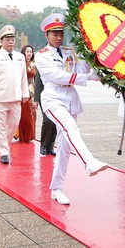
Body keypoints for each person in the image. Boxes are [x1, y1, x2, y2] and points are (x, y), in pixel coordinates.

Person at [35, 13, 107, 206]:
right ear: (47, 35)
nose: (59, 37)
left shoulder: (68, 52)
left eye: (61, 34)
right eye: (55, 34)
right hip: (53, 98)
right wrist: (87, 78)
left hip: (70, 99)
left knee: (65, 146)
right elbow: (57, 75)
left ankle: (56, 189)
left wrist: (94, 55)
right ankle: (88, 161)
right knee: (70, 128)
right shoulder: (41, 55)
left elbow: (82, 67)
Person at [0, 25, 29, 164]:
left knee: (14, 124)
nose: (11, 42)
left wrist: (25, 92)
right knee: (0, 126)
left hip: (15, 97)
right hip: (0, 97)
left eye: (12, 39)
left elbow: (23, 78)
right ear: (2, 41)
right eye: (7, 39)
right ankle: (3, 152)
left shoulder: (20, 57)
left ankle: (5, 145)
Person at [33, 68, 57, 155]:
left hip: (56, 96)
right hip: (44, 97)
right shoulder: (43, 63)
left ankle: (50, 146)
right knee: (48, 120)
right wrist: (36, 99)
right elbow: (38, 84)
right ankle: (43, 145)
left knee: (55, 121)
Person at [17, 44, 37, 143]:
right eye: (27, 51)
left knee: (32, 112)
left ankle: (30, 135)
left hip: (32, 90)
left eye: (31, 52)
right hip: (23, 89)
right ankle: (22, 135)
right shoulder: (20, 63)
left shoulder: (34, 63)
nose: (29, 54)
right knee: (24, 113)